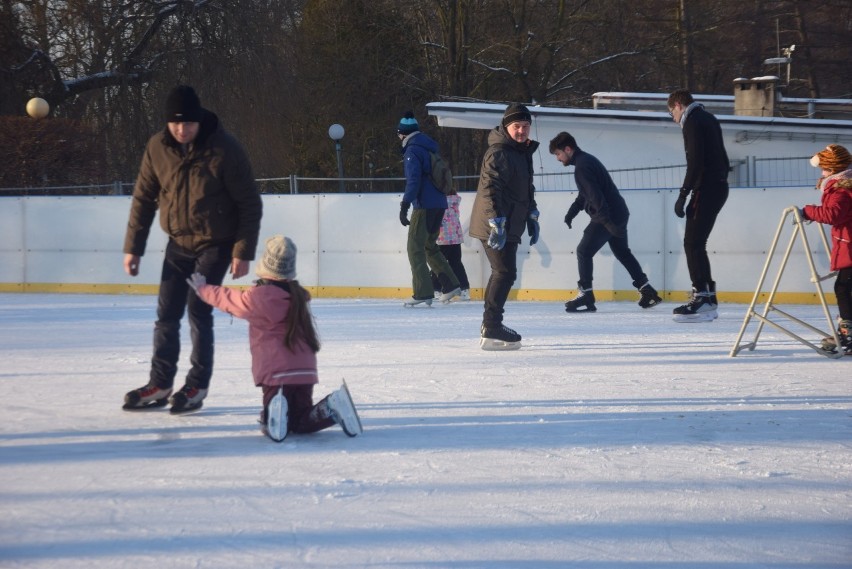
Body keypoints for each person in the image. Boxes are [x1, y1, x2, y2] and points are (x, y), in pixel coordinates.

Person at [122, 85, 263, 414]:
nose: (182, 130)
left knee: (199, 311)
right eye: (175, 124)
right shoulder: (158, 147)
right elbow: (143, 199)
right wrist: (134, 248)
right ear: (167, 123)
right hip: (178, 245)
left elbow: (249, 204)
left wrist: (242, 252)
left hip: (216, 244)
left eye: (188, 124)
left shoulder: (224, 149)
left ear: (199, 121)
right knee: (166, 314)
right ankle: (161, 383)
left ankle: (197, 384)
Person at [187, 235, 362, 441]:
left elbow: (231, 300)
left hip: (276, 372)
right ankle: (331, 406)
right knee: (301, 420)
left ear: (266, 265)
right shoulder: (297, 295)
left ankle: (275, 414)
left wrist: (204, 289)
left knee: (275, 418)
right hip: (304, 371)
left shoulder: (260, 297)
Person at [549, 132, 662, 312]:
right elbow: (586, 193)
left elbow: (596, 198)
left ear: (568, 149)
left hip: (607, 215)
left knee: (583, 251)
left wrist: (608, 224)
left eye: (558, 154)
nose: (558, 158)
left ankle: (586, 294)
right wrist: (572, 212)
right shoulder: (586, 161)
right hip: (618, 212)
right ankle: (647, 290)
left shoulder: (582, 167)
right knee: (622, 252)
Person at [469, 103, 540, 350]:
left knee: (503, 273)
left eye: (525, 126)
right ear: (506, 127)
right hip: (495, 222)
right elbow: (490, 189)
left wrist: (532, 213)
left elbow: (526, 187)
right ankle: (492, 326)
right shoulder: (499, 152)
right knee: (504, 272)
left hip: (510, 221)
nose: (521, 131)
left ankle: (490, 324)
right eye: (516, 126)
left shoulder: (522, 151)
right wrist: (496, 221)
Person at [667, 88, 730, 322]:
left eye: (671, 113)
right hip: (718, 185)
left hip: (707, 187)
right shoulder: (709, 118)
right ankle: (709, 296)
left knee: (691, 242)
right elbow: (722, 158)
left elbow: (695, 160)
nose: (674, 119)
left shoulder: (692, 121)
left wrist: (684, 193)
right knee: (697, 242)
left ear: (678, 106)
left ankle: (702, 296)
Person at [397, 111, 461, 307]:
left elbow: (414, 181)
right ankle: (451, 285)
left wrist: (405, 203)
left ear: (402, 134)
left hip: (424, 206)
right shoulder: (430, 148)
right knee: (430, 247)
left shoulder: (412, 151)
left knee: (414, 248)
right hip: (440, 204)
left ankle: (423, 292)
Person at [799, 144, 852, 354]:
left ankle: (848, 335)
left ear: (833, 168)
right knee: (845, 289)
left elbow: (833, 214)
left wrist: (808, 212)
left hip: (849, 246)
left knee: (843, 289)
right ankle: (846, 331)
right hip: (847, 243)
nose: (821, 174)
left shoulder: (842, 188)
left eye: (824, 169)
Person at [430, 189, 471, 301]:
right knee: (456, 263)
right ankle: (464, 289)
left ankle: (435, 289)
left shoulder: (438, 202)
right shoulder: (454, 202)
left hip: (442, 238)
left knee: (437, 264)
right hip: (455, 238)